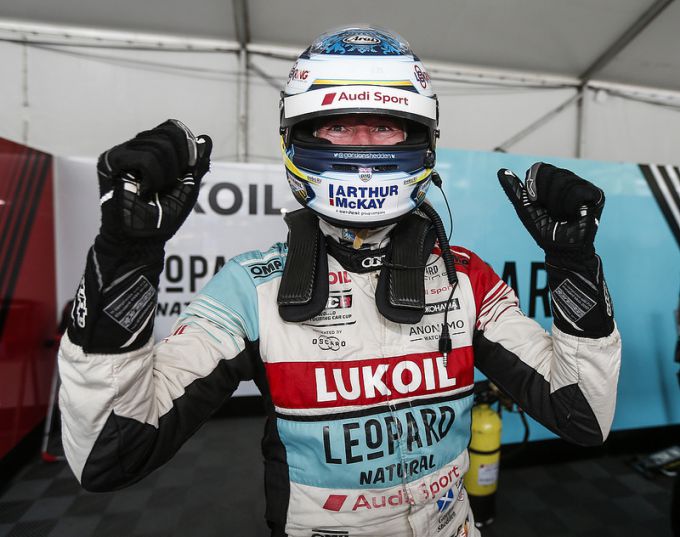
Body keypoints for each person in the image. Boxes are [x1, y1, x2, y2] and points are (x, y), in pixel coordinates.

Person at [58, 26, 621, 537]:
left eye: (384, 126)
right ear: (300, 135)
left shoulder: (465, 277)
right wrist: (126, 257)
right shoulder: (252, 288)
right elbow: (109, 454)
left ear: (420, 137)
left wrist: (573, 262)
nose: (363, 147)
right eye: (338, 125)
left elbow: (582, 416)